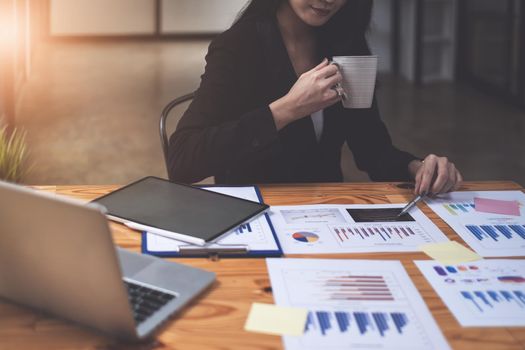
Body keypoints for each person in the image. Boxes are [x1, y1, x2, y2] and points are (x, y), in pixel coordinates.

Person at [168, 0, 462, 196]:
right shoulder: (238, 45)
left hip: (325, 214)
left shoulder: (348, 43)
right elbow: (182, 161)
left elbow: (372, 149)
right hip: (251, 214)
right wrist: (285, 110)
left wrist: (418, 167)